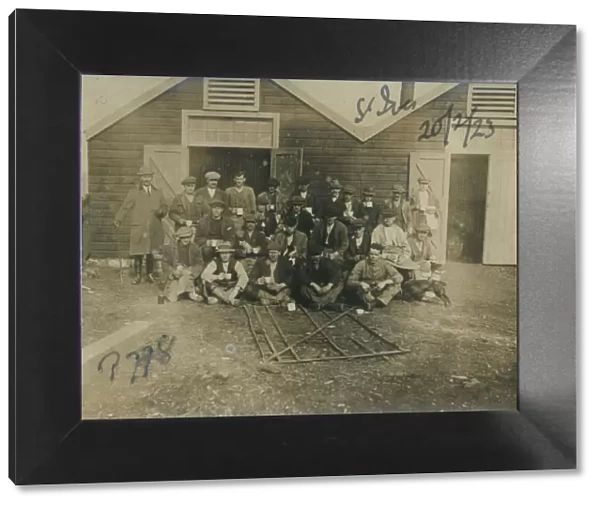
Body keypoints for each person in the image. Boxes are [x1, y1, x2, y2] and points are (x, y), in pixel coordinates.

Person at [114, 166, 168, 284]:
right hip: (139, 227)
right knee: (138, 252)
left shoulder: (158, 192)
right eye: (144, 177)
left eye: (148, 176)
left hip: (154, 227)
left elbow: (165, 206)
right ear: (140, 178)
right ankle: (138, 275)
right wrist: (118, 219)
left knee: (150, 252)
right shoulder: (133, 193)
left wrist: (162, 212)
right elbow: (125, 207)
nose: (146, 179)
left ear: (151, 178)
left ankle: (149, 274)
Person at [346, 243, 403, 311]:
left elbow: (399, 277)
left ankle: (377, 302)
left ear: (380, 255)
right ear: (368, 254)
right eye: (371, 254)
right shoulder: (361, 264)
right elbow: (350, 281)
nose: (373, 257)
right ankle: (372, 301)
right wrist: (361, 284)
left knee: (396, 285)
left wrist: (385, 282)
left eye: (376, 255)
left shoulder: (384, 264)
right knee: (361, 290)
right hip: (367, 289)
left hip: (380, 289)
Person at [162, 227, 203, 302]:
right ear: (179, 238)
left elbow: (199, 263)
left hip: (188, 272)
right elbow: (165, 263)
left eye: (188, 237)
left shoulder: (195, 248)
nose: (186, 240)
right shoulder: (171, 248)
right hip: (176, 272)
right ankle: (183, 291)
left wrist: (192, 271)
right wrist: (173, 272)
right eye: (183, 238)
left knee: (186, 278)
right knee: (172, 298)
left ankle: (190, 292)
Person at [296, 243, 344, 310]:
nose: (315, 258)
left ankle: (319, 304)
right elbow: (301, 275)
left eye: (318, 255)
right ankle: (327, 304)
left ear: (321, 254)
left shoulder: (326, 262)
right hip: (314, 287)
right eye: (313, 256)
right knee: (303, 289)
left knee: (339, 285)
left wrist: (329, 286)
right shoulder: (304, 262)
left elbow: (335, 274)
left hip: (325, 287)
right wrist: (313, 284)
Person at [201, 241, 248, 306]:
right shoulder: (215, 262)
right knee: (208, 283)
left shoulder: (236, 263)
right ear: (219, 254)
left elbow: (244, 276)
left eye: (227, 253)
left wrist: (235, 290)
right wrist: (217, 277)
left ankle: (223, 299)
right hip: (219, 289)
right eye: (222, 253)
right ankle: (228, 300)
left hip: (231, 288)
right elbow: (204, 275)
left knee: (244, 285)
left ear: (231, 254)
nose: (225, 255)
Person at [246, 241, 294, 306]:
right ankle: (276, 300)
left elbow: (290, 274)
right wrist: (258, 281)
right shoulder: (261, 261)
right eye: (271, 252)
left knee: (288, 290)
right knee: (249, 288)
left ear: (279, 253)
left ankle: (269, 301)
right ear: (268, 253)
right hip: (266, 289)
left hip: (279, 288)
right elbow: (252, 277)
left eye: (275, 253)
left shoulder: (284, 261)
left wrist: (282, 284)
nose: (273, 255)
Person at [195, 199, 236, 263]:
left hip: (223, 245)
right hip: (208, 246)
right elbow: (197, 239)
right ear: (211, 209)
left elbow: (233, 238)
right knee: (206, 250)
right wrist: (206, 241)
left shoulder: (229, 222)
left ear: (222, 210)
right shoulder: (203, 221)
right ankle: (207, 269)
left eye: (219, 208)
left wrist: (227, 243)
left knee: (226, 252)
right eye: (214, 208)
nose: (216, 211)